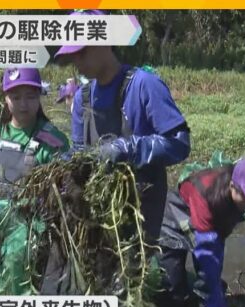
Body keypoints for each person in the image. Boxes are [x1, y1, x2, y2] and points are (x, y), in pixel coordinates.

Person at [54, 9, 191, 244]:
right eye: (72, 55)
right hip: (97, 212)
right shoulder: (81, 98)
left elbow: (180, 143)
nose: (76, 61)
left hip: (141, 211)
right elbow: (79, 153)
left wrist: (128, 148)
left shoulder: (144, 85)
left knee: (135, 274)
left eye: (82, 51)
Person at [0, 68, 70, 295]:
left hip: (28, 234)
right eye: (15, 97)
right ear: (5, 99)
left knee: (18, 292)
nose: (23, 104)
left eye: (30, 96)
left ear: (40, 96)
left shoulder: (52, 141)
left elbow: (65, 189)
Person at [154, 158, 245, 307]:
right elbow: (207, 252)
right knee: (173, 283)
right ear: (233, 186)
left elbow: (217, 245)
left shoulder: (235, 200)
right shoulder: (208, 195)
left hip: (206, 225)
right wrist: (213, 290)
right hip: (174, 215)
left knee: (210, 279)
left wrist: (214, 290)